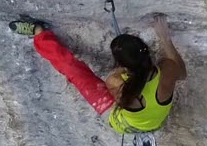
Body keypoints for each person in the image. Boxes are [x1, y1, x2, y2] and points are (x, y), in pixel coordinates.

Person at [10, 14, 186, 133]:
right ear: (146, 52)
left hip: (122, 124)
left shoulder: (116, 83)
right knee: (77, 73)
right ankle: (38, 31)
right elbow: (182, 73)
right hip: (154, 122)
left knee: (75, 71)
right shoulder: (166, 73)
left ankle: (38, 32)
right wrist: (165, 38)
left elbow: (122, 88)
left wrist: (120, 74)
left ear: (120, 65)